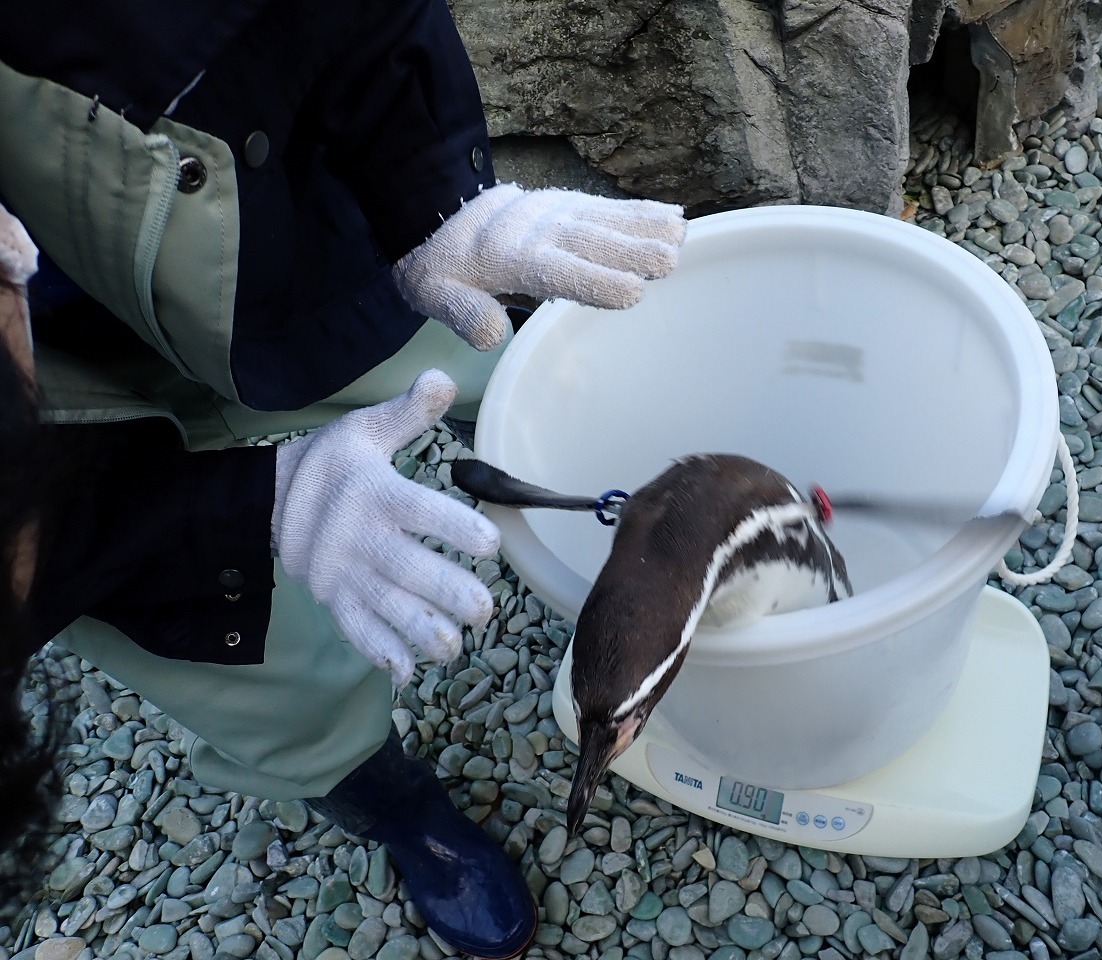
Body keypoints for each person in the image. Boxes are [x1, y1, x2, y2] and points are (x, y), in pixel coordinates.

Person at [0, 1, 686, 956]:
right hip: (75, 429)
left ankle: (581, 447)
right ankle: (391, 800)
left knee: (467, 354)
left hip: (243, 228)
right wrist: (258, 506)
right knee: (253, 669)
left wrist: (437, 195)